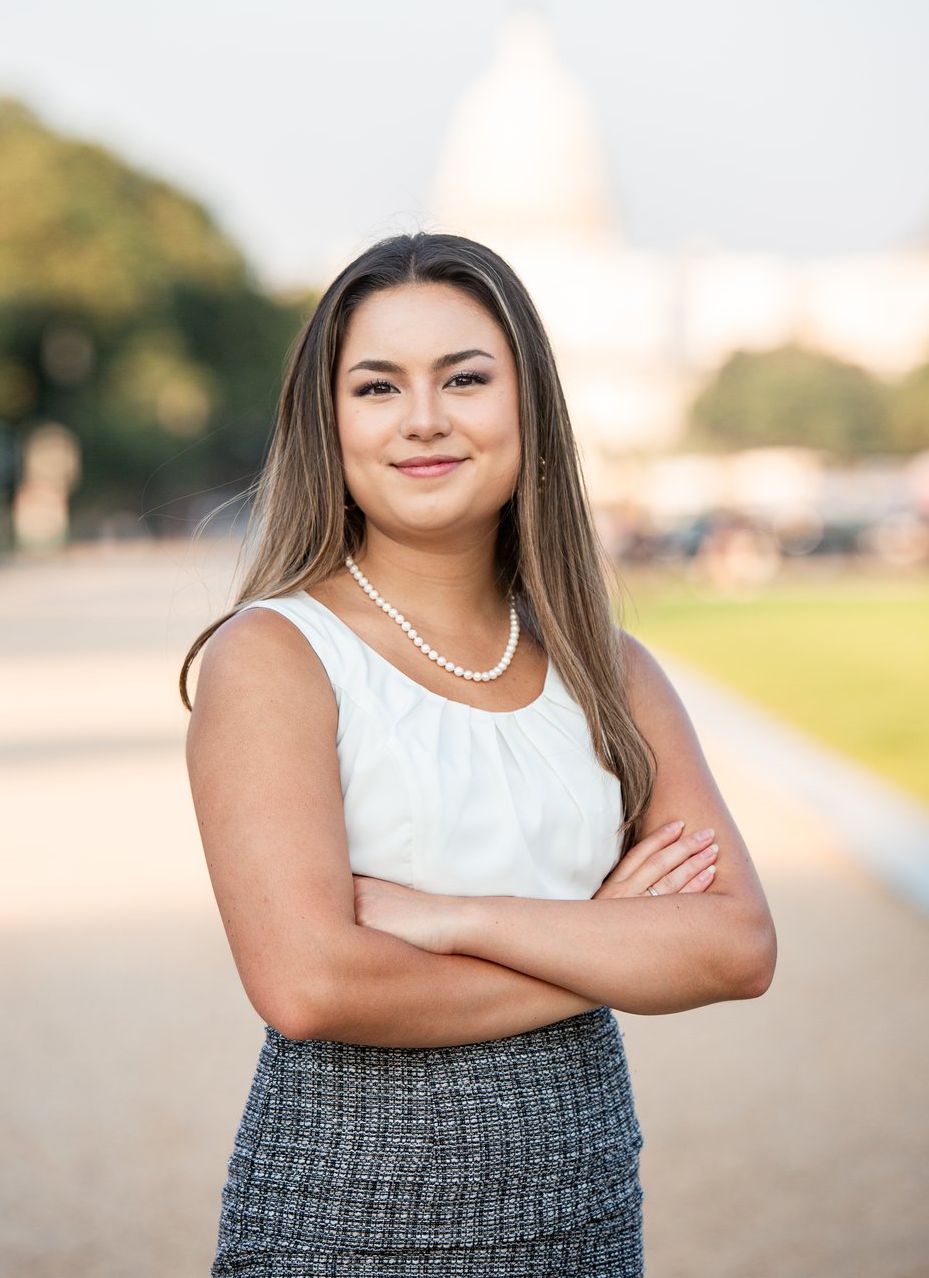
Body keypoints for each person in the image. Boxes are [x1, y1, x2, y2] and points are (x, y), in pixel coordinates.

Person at [180, 232, 777, 1277]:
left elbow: (736, 947)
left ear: (527, 407)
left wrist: (462, 919)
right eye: (376, 387)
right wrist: (607, 946)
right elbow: (311, 986)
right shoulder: (273, 657)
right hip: (344, 1224)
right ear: (328, 423)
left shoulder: (609, 668)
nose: (423, 419)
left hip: (584, 1217)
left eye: (464, 378)